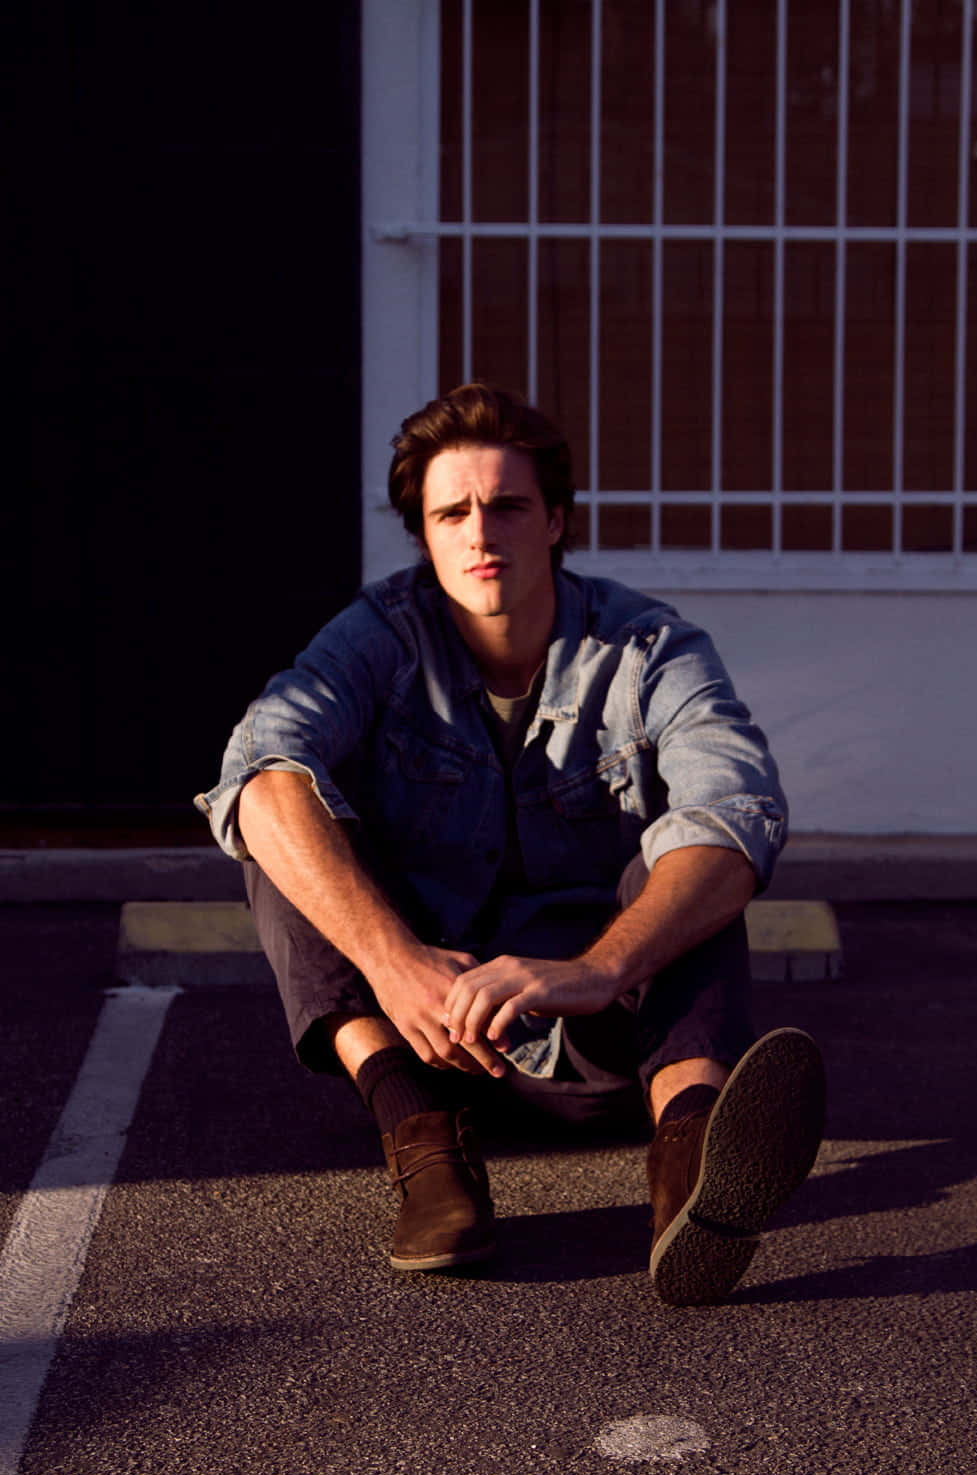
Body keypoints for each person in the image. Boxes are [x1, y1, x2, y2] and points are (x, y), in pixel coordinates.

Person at [196, 382, 825, 1306]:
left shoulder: (647, 647)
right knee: (278, 813)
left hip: (599, 1035)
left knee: (691, 860)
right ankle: (425, 1149)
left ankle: (692, 1154)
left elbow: (736, 809)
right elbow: (259, 764)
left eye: (507, 506)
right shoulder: (378, 636)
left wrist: (598, 970)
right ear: (422, 532)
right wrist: (396, 960)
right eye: (451, 512)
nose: (479, 533)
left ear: (557, 519)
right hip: (424, 1033)